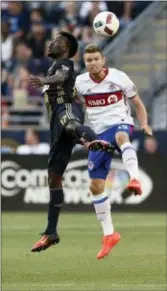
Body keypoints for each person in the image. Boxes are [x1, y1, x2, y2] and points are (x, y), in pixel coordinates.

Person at [29, 32, 113, 252]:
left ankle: (95, 140)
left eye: (57, 41)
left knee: (70, 125)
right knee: (53, 178)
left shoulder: (64, 63)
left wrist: (46, 80)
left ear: (65, 49)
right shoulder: (54, 65)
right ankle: (51, 232)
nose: (51, 43)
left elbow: (61, 77)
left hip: (64, 110)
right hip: (55, 123)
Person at [75, 44, 153, 259]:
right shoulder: (80, 83)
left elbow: (137, 103)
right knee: (96, 186)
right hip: (98, 134)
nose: (92, 63)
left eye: (95, 59)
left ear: (103, 60)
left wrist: (144, 124)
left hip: (120, 122)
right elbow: (71, 105)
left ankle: (134, 178)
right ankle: (109, 234)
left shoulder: (119, 77)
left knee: (121, 136)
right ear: (85, 62)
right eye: (88, 60)